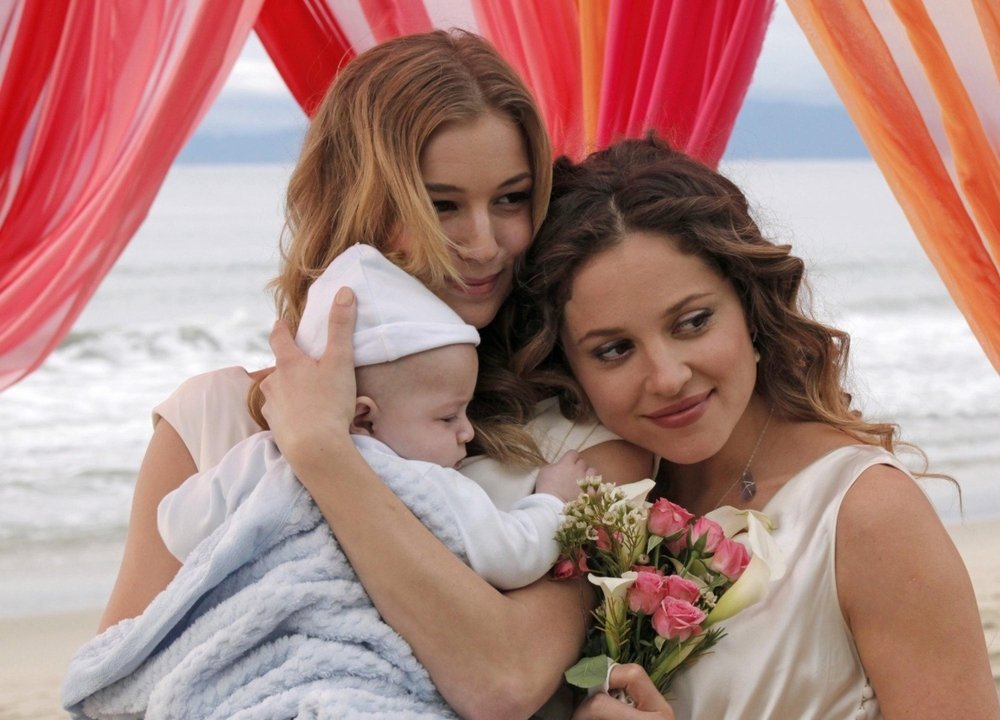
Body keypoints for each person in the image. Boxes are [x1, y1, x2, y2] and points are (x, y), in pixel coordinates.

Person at [97, 30, 651, 720]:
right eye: (441, 205)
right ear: (359, 201)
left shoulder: (582, 443)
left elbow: (505, 682)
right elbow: (120, 687)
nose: (485, 244)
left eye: (511, 199)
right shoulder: (212, 418)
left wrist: (322, 451)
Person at [503, 136, 1000, 718]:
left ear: (750, 307)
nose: (667, 377)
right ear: (569, 367)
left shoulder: (866, 515)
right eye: (614, 350)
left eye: (693, 322)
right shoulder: (595, 510)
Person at [158, 244, 591, 586]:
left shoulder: (262, 457)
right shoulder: (424, 484)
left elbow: (177, 526)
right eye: (448, 417)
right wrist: (553, 501)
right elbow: (512, 555)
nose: (466, 431)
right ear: (363, 419)